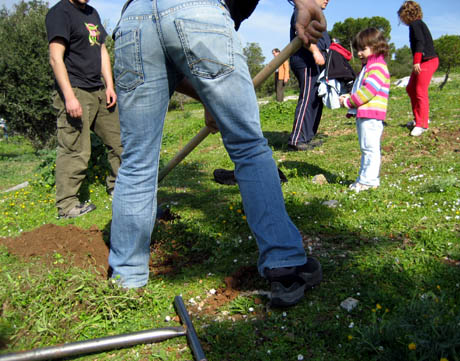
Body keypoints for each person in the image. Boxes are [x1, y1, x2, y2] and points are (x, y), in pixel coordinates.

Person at [109, 0, 326, 307]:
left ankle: (125, 281)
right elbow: (187, 34)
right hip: (198, 8)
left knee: (136, 162)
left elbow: (169, 42)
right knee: (248, 146)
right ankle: (284, 262)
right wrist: (304, 3)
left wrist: (212, 99)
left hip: (134, 20)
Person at [45, 0, 123, 219]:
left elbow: (102, 51)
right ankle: (67, 205)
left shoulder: (92, 13)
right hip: (76, 90)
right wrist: (69, 97)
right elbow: (55, 58)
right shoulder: (60, 13)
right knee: (75, 149)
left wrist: (109, 85)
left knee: (119, 141)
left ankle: (119, 187)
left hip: (99, 90)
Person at [339, 28, 390, 193]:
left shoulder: (376, 67)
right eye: (358, 49)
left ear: (376, 46)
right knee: (367, 147)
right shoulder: (370, 66)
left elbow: (368, 92)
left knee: (369, 148)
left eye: (363, 49)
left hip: (371, 115)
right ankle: (367, 179)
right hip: (366, 114)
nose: (359, 53)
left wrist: (348, 101)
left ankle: (368, 181)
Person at [288, 0, 331, 151]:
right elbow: (301, 34)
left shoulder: (316, 14)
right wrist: (315, 51)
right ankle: (297, 139)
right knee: (307, 98)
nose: (328, 0)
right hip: (305, 60)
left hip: (316, 62)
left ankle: (307, 137)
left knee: (315, 98)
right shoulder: (304, 9)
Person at [397, 1, 439, 137]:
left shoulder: (416, 24)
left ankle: (422, 124)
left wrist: (416, 61)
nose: (401, 20)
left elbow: (420, 42)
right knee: (410, 88)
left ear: (406, 14)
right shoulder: (416, 24)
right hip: (423, 61)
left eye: (401, 16)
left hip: (427, 61)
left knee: (420, 91)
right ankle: (419, 118)